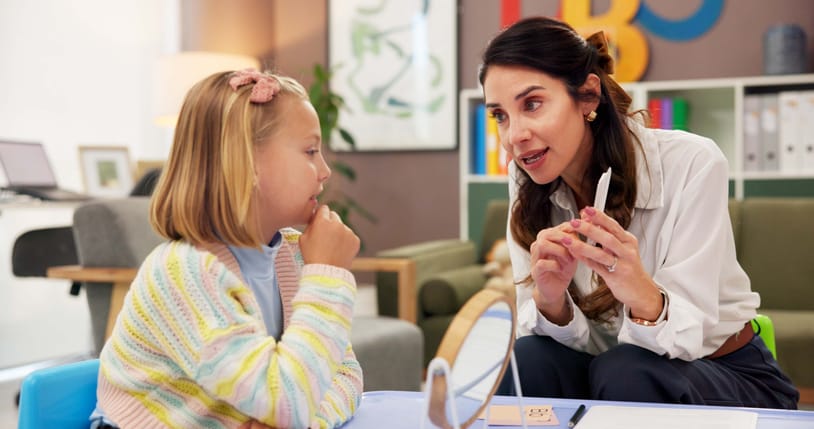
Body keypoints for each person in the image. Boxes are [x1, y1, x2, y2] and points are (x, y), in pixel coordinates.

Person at [481, 17, 799, 409]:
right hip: (606, 372)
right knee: (526, 359)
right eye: (499, 115)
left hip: (721, 374)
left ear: (588, 97)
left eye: (532, 104)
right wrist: (551, 302)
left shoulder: (691, 162)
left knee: (627, 369)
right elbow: (552, 342)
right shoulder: (524, 176)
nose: (514, 136)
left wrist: (641, 292)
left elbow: (686, 335)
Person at [91, 69, 363, 428]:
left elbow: (345, 374)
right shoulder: (184, 274)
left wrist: (311, 420)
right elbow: (285, 403)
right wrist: (328, 277)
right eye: (310, 150)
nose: (325, 170)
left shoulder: (296, 254)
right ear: (244, 160)